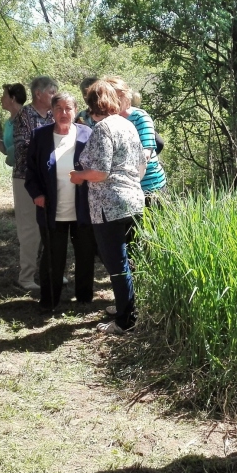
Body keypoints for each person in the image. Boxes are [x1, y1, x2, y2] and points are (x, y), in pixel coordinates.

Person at [70, 80, 146, 334]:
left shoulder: (102, 128)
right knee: (128, 261)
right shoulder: (128, 125)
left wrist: (79, 176)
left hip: (109, 205)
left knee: (116, 265)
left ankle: (126, 320)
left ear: (91, 104)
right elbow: (138, 166)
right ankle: (130, 307)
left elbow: (100, 172)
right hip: (133, 200)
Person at [26, 93, 96, 311]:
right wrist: (37, 194)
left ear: (76, 111)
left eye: (68, 108)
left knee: (85, 254)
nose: (64, 113)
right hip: (51, 209)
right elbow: (31, 172)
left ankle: (84, 297)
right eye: (59, 108)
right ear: (52, 111)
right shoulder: (40, 136)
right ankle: (50, 300)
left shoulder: (87, 134)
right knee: (53, 256)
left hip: (82, 208)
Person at [0, 83, 42, 291]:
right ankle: (27, 275)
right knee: (28, 226)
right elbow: (6, 150)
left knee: (39, 226)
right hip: (20, 175)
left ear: (13, 98)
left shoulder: (28, 118)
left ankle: (40, 272)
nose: (1, 99)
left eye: (4, 95)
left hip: (32, 176)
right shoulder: (10, 122)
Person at [104, 76, 166, 204]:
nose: (117, 101)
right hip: (120, 191)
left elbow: (145, 155)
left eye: (120, 96)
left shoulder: (140, 117)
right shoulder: (102, 121)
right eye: (112, 97)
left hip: (150, 188)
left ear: (127, 96)